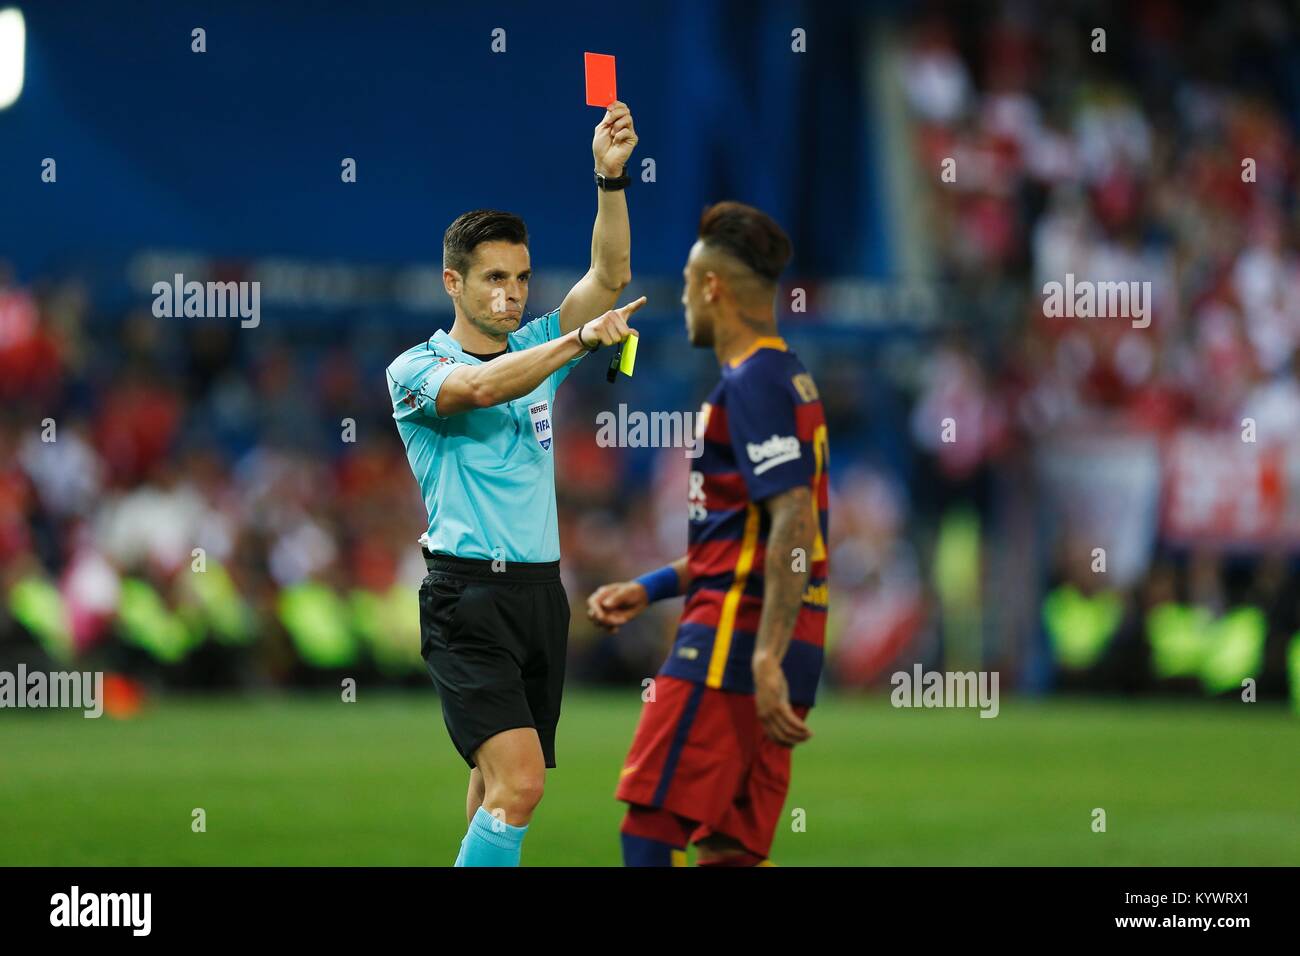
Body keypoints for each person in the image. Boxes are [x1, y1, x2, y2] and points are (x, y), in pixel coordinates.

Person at [386, 103, 642, 867]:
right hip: (466, 598)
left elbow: (610, 276)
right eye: (495, 278)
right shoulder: (416, 369)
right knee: (521, 784)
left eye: (523, 277)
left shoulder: (537, 347)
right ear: (452, 281)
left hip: (539, 596)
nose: (513, 293)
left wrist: (609, 178)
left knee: (495, 786)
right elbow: (482, 388)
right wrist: (579, 338)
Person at [588, 201, 830, 866]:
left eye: (688, 284)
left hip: (734, 642)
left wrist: (763, 655)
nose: (684, 300)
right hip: (786, 641)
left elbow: (794, 520)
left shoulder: (751, 384)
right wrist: (649, 588)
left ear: (713, 287)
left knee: (650, 824)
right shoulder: (789, 377)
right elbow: (744, 539)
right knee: (728, 847)